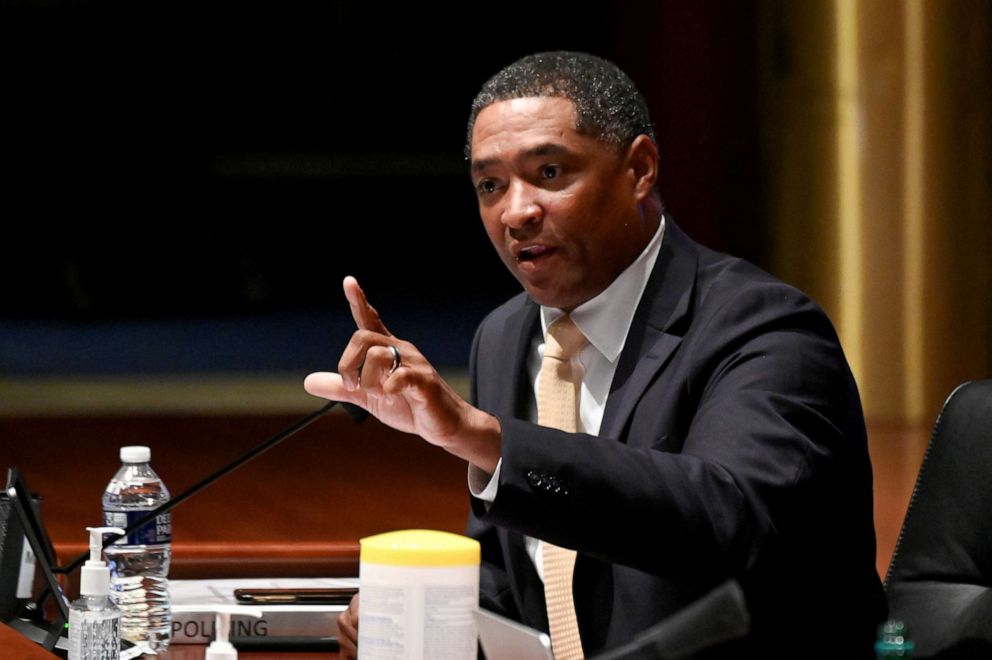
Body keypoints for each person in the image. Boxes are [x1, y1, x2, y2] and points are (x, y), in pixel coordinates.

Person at [305, 51, 886, 659]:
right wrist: (417, 612)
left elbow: (724, 521)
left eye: (550, 172)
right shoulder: (503, 338)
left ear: (640, 170)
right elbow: (515, 577)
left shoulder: (766, 331)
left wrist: (486, 438)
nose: (517, 211)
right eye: (490, 185)